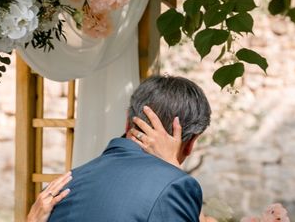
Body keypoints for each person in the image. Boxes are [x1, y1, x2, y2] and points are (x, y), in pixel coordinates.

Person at [46, 74, 212, 222]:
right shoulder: (175, 187)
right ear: (190, 143)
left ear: (127, 121)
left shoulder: (59, 189)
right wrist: (171, 169)